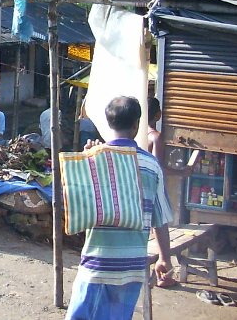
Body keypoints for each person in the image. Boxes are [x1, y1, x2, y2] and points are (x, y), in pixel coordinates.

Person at [66, 96, 173, 320]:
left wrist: (89, 156)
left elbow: (79, 206)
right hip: (132, 263)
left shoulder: (93, 158)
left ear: (108, 123)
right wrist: (165, 258)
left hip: (98, 262)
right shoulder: (152, 165)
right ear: (136, 125)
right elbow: (160, 219)